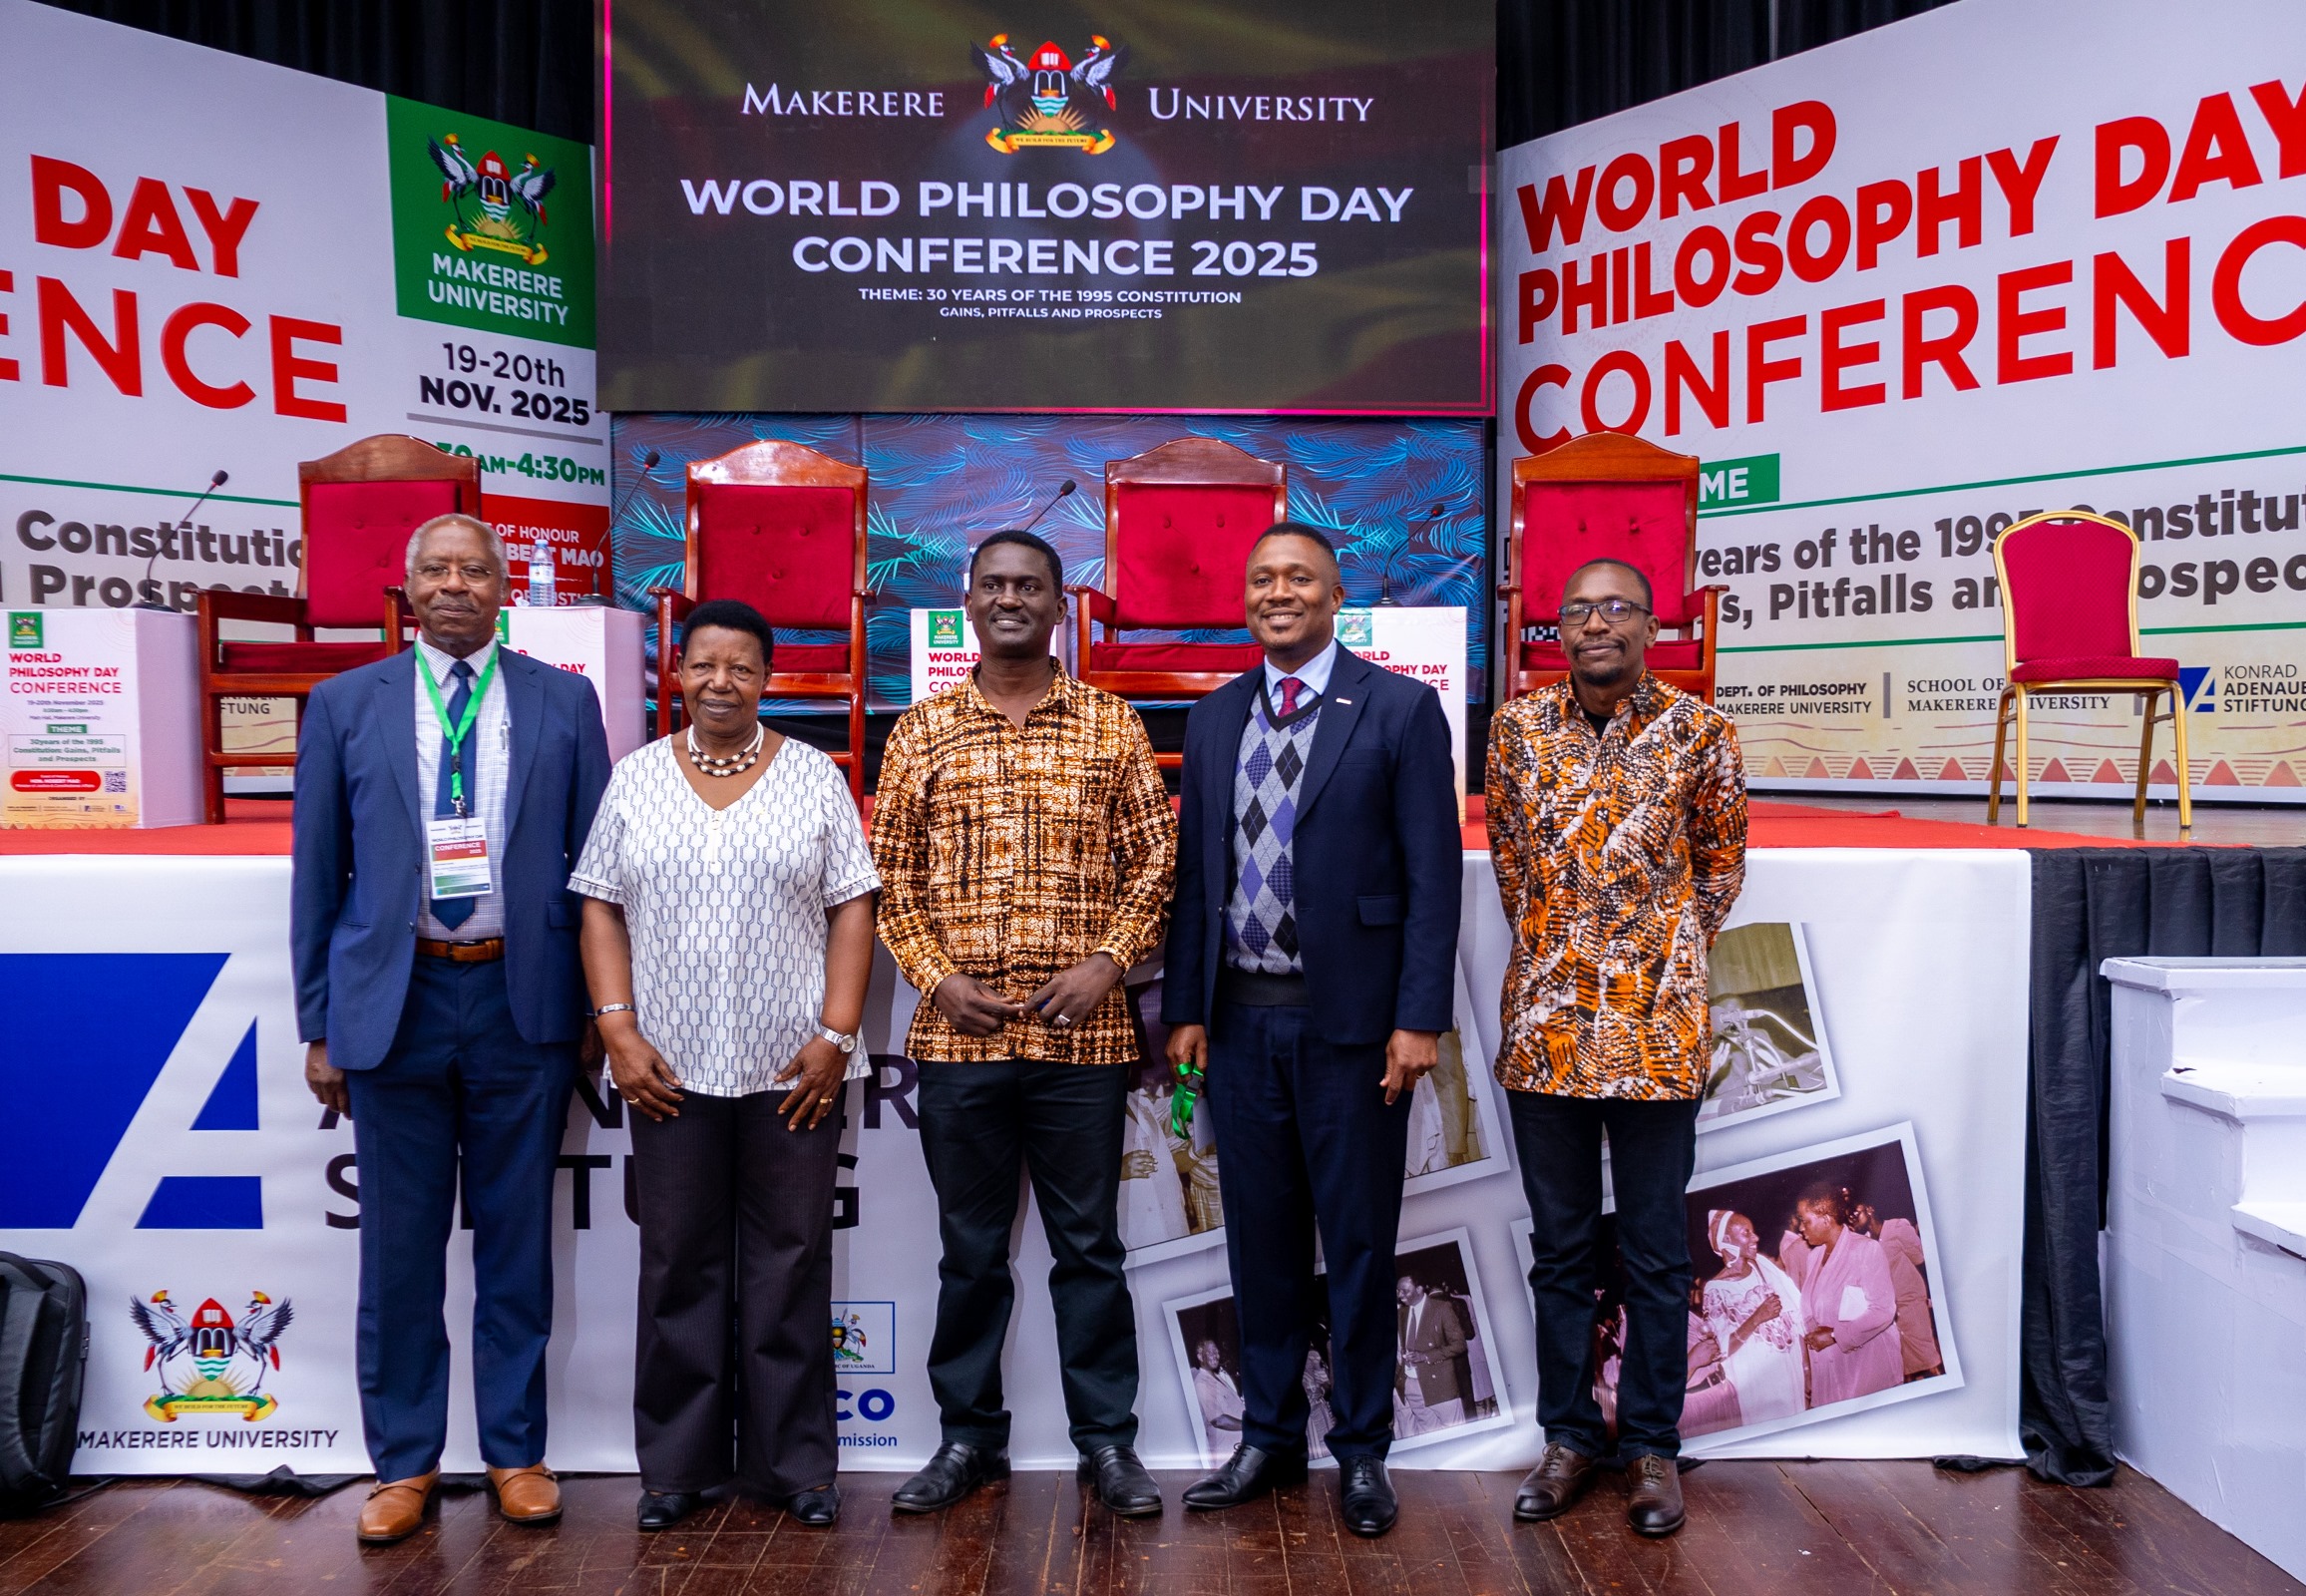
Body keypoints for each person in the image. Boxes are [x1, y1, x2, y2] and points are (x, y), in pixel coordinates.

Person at [292, 513, 609, 1545]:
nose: (456, 584)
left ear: (504, 584)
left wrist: (606, 1007)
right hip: (396, 1003)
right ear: (407, 582)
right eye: (436, 568)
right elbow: (316, 875)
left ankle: (516, 1451)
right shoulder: (345, 703)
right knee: (397, 1251)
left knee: (517, 1242)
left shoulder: (565, 700)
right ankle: (404, 1462)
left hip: (524, 1000)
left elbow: (597, 874)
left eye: (475, 569)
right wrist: (316, 1020)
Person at [1164, 523, 1462, 1538]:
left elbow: (1433, 880)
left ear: (1336, 597)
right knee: (1259, 1244)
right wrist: (1187, 1010)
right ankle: (1267, 1435)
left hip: (1351, 1033)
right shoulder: (1212, 718)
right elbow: (1194, 877)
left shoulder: (1397, 709)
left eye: (1297, 578)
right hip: (1241, 1027)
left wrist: (1417, 1018)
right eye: (1259, 579)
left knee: (1360, 1244)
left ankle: (1365, 1448)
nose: (1275, 592)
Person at [872, 530, 1177, 1519]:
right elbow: (892, 878)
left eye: (1029, 586)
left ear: (1060, 607)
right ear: (967, 601)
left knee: (1088, 1247)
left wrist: (1108, 964)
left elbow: (1154, 865)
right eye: (993, 584)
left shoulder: (1109, 726)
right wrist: (935, 975)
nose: (1010, 598)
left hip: (1078, 1042)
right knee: (969, 1251)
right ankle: (966, 1440)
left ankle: (1107, 1445)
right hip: (958, 1040)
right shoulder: (919, 731)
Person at [569, 598, 881, 1532]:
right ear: (677, 673)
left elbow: (852, 908)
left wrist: (834, 1035)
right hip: (665, 1068)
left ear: (767, 678)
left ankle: (796, 1468)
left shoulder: (815, 779)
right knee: (676, 1265)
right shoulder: (635, 780)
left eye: (741, 667)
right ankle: (677, 1468)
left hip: (794, 1068)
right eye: (703, 664)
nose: (720, 682)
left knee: (790, 1266)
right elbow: (600, 907)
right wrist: (617, 1031)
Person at [1486, 557, 1747, 1538]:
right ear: (1555, 630)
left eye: (1616, 608)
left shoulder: (1699, 733)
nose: (1594, 623)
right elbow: (1512, 862)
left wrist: (1653, 951)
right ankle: (1565, 1439)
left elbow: (1718, 868)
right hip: (1546, 1030)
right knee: (1558, 1252)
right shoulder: (1515, 730)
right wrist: (1567, 951)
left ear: (1650, 627)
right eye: (1576, 609)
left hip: (1652, 1031)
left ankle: (1648, 1446)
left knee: (1649, 1251)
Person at [1789, 1187, 1904, 1405]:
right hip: (1832, 1370)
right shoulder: (1814, 1257)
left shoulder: (1865, 1250)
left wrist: (1834, 1336)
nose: (1802, 1229)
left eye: (1806, 1221)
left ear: (1825, 1219)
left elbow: (1883, 1311)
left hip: (1868, 1369)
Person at [1699, 1211, 1806, 1426]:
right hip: (1759, 1385)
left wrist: (1806, 1368)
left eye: (1753, 1232)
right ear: (1726, 1241)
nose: (1755, 1238)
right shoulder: (1715, 1290)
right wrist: (1757, 1317)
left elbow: (1795, 1319)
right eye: (1746, 1233)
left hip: (1791, 1372)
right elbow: (1722, 1348)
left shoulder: (1764, 1268)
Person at [1852, 1201, 1944, 1380]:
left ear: (1870, 1209)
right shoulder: (1867, 1242)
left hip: (1911, 1301)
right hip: (1891, 1309)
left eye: (1856, 1213)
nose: (1853, 1219)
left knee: (1927, 1357)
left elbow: (1919, 1258)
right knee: (1905, 1366)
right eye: (1850, 1217)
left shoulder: (1897, 1227)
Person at [1394, 1277, 1469, 1434]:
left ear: (1420, 1288)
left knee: (1457, 1434)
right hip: (1412, 1387)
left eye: (1405, 1290)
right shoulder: (1401, 1313)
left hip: (1440, 1385)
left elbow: (1459, 1344)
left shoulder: (1441, 1308)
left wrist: (1426, 1356)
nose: (1400, 1294)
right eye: (1398, 1290)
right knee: (1430, 1436)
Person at [1192, 1338, 1248, 1462]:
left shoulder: (1218, 1378)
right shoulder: (1201, 1383)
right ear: (1200, 1357)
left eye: (1216, 1352)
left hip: (1238, 1450)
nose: (1215, 1355)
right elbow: (1218, 1420)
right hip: (1226, 1456)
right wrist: (1249, 1427)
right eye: (1210, 1352)